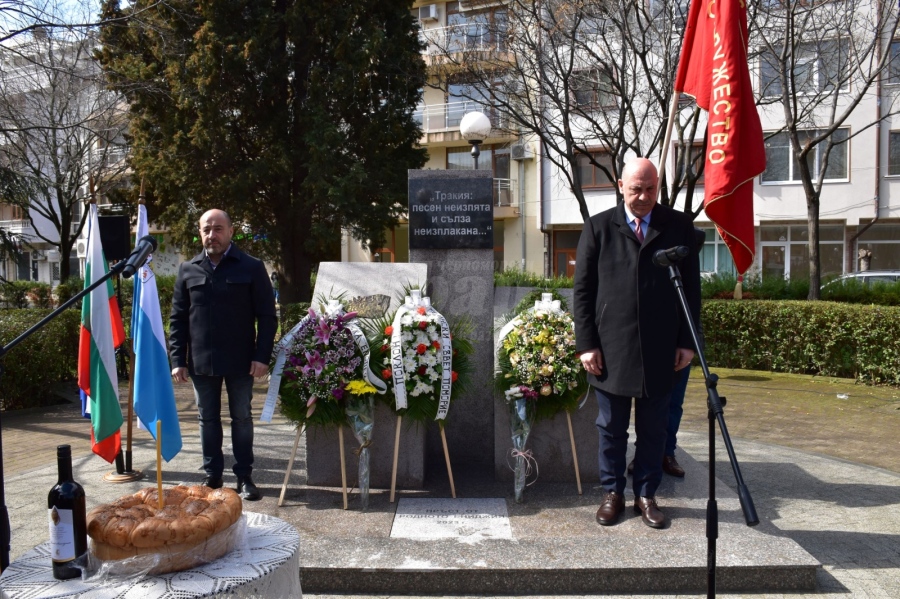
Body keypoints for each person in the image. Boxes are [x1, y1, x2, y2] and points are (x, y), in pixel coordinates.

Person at [573, 158, 701, 529]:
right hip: (610, 349)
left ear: (658, 185)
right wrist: (586, 344)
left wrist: (687, 342)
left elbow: (691, 291)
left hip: (661, 349)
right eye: (635, 189)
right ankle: (612, 493)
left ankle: (646, 494)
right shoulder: (599, 227)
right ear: (620, 185)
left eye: (650, 189)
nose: (643, 197)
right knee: (611, 428)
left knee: (654, 428)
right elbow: (583, 292)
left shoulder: (677, 226)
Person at [169, 209, 277, 501]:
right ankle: (212, 477)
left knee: (241, 418)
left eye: (218, 229)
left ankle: (244, 477)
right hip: (202, 362)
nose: (211, 235)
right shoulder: (188, 269)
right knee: (207, 419)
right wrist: (177, 359)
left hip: (242, 360)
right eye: (206, 229)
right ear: (200, 232)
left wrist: (262, 356)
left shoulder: (251, 267)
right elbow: (178, 318)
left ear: (231, 231)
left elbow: (267, 316)